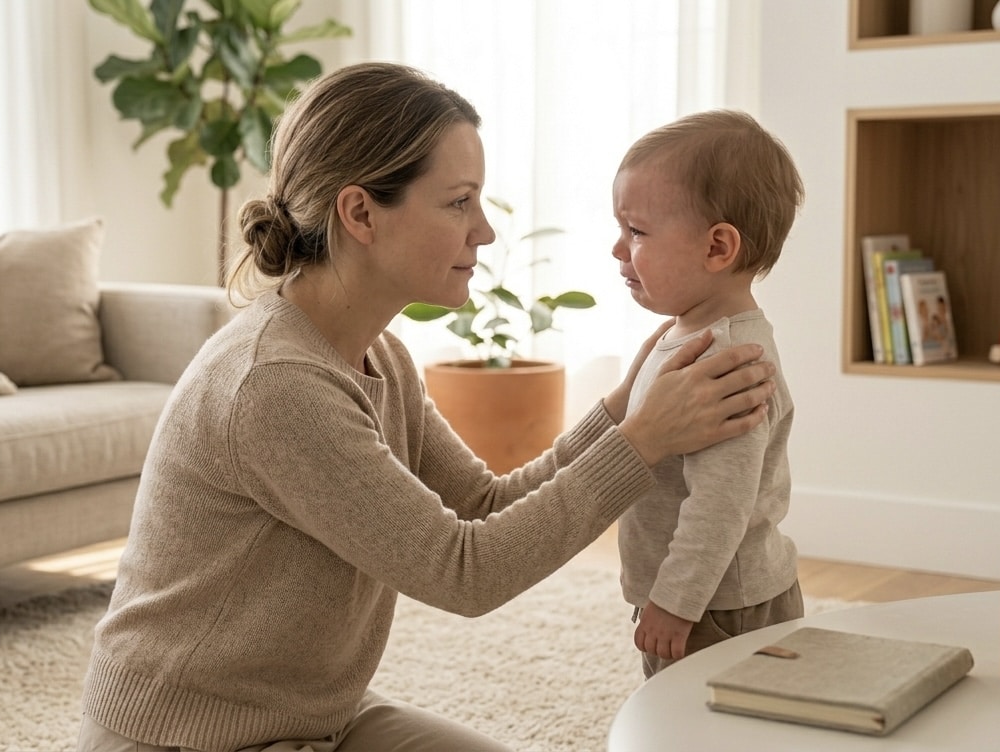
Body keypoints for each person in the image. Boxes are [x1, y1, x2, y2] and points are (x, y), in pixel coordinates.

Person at [77, 63, 776, 752]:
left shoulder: (381, 357)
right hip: (189, 738)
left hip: (315, 717)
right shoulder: (276, 385)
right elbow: (463, 571)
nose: (485, 231)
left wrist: (622, 413)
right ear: (360, 213)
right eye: (458, 202)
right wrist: (640, 444)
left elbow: (481, 503)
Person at [610, 109, 806, 679]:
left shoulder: (728, 362)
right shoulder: (680, 335)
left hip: (722, 607)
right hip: (697, 594)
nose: (618, 249)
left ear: (718, 248)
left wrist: (675, 601)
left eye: (637, 231)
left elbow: (721, 503)